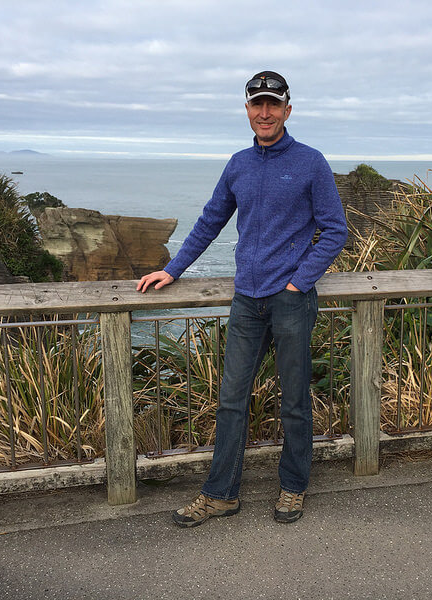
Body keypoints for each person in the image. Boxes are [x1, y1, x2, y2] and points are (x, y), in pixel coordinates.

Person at [137, 71, 347, 527]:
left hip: (290, 300)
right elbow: (210, 221)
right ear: (248, 111)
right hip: (247, 301)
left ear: (288, 110)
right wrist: (172, 269)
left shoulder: (311, 162)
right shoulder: (238, 164)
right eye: (257, 105)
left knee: (294, 400)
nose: (265, 112)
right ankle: (221, 494)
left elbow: (334, 230)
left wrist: (299, 282)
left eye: (273, 104)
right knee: (232, 399)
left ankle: (293, 486)